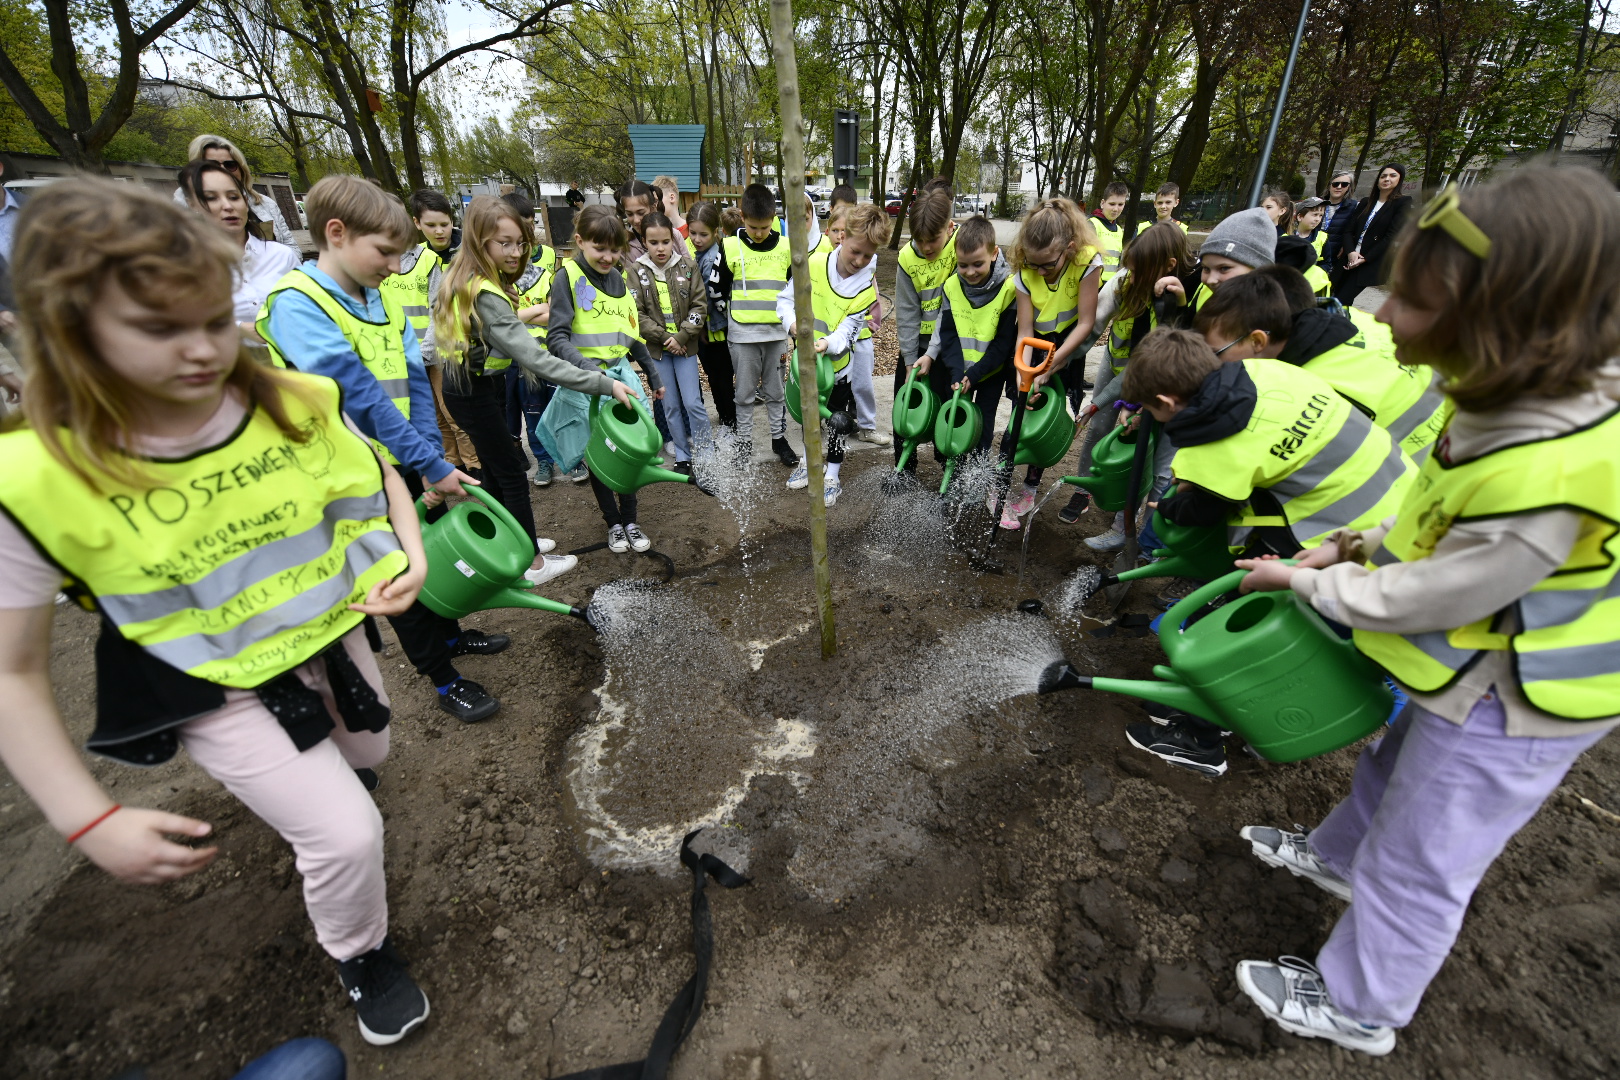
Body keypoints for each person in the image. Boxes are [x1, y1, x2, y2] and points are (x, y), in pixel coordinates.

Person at [0, 178, 430, 1044]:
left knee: (370, 752)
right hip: (215, 684)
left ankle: (320, 799)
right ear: (68, 334)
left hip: (329, 636)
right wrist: (88, 818)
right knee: (348, 835)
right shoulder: (36, 480)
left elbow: (378, 473)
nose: (201, 351)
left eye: (210, 319)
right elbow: (11, 671)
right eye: (159, 330)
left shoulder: (288, 401)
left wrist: (412, 559)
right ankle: (360, 952)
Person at [1230, 166, 1620, 1058]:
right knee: (1393, 763)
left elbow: (1437, 591)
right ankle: (1333, 859)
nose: (1379, 318)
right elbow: (1436, 508)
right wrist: (1358, 541)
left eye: (1407, 302)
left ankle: (1360, 1003)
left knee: (1425, 851)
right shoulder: (1509, 396)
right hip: (1480, 660)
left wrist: (1309, 583)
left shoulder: (1552, 471)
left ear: (1497, 322)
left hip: (1524, 694)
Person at [256, 176, 512, 726]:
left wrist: (424, 455)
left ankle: (450, 632)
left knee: (428, 546)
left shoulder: (382, 299)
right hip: (343, 472)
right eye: (385, 252)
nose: (396, 267)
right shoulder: (296, 303)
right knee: (392, 568)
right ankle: (444, 679)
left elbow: (415, 382)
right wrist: (430, 463)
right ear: (336, 233)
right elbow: (356, 391)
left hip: (400, 455)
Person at [1117, 327, 1414, 776]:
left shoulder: (1217, 445)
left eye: (1151, 409)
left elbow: (1202, 510)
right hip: (1403, 503)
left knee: (1248, 634)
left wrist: (1170, 505)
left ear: (1169, 402)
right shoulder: (1267, 372)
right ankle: (1216, 711)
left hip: (1348, 542)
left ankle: (1201, 739)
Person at [436, 195, 634, 555]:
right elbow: (538, 359)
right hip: (472, 392)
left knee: (497, 472)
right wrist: (603, 384)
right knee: (510, 472)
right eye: (505, 243)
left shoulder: (480, 280)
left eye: (520, 243)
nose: (515, 252)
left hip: (483, 386)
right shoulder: (486, 293)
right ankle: (529, 560)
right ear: (480, 242)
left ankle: (511, 540)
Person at [1207, 268, 1449, 463]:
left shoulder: (1311, 390)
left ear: (1259, 339)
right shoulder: (1352, 316)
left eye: (1216, 352)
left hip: (1422, 468)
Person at [543, 205, 665, 553]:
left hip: (620, 379)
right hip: (586, 383)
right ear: (580, 241)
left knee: (626, 452)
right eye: (600, 249)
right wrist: (587, 369)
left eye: (615, 250)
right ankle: (613, 523)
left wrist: (653, 376)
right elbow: (556, 337)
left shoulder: (620, 279)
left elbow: (631, 334)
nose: (609, 257)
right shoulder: (567, 277)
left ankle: (631, 519)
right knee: (598, 456)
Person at [1077, 221, 1195, 543]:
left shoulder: (1183, 297)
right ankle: (1121, 529)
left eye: (1139, 270)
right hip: (1134, 377)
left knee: (1159, 469)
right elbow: (1095, 329)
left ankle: (1146, 540)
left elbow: (1153, 360)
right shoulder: (1131, 282)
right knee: (1135, 451)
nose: (1131, 276)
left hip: (1177, 394)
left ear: (1168, 267)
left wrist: (1124, 402)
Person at [1000, 197, 1103, 530]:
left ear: (1069, 249)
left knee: (1051, 418)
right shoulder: (1024, 268)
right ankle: (1001, 486)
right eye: (1034, 264)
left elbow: (1087, 322)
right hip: (1033, 344)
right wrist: (1024, 373)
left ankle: (1030, 485)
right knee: (1021, 410)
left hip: (1068, 344)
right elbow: (1026, 330)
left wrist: (1053, 364)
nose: (1040, 271)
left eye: (1047, 265)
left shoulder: (1088, 261)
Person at [776, 203, 890, 506]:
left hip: (838, 371)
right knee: (807, 418)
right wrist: (793, 327)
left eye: (867, 255)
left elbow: (848, 330)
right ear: (842, 238)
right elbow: (785, 302)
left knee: (838, 423)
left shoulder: (866, 288)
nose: (860, 260)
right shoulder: (812, 266)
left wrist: (827, 343)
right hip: (807, 368)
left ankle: (833, 476)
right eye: (855, 251)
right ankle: (808, 461)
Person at [383, 189, 480, 481]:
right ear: (416, 223)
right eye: (430, 225)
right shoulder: (386, 262)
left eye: (444, 223)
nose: (439, 231)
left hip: (441, 347)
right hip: (405, 354)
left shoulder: (441, 258)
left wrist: (423, 350)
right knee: (432, 414)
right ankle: (451, 462)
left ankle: (474, 464)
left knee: (454, 411)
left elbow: (436, 310)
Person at [917, 215, 1017, 457]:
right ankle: (956, 474)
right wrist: (957, 373)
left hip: (990, 372)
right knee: (957, 420)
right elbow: (948, 334)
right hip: (960, 371)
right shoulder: (951, 286)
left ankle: (976, 483)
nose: (970, 272)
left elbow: (1003, 344)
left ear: (994, 253)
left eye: (977, 264)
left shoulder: (1010, 288)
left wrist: (974, 374)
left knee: (982, 426)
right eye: (963, 265)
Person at [718, 183, 799, 467]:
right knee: (744, 393)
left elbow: (795, 290)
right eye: (753, 227)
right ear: (742, 217)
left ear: (774, 219)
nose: (759, 233)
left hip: (776, 333)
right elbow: (718, 290)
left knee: (776, 391)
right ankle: (744, 442)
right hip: (742, 335)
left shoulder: (788, 247)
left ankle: (779, 438)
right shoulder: (728, 246)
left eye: (765, 227)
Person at [177, 159, 298, 336]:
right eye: (211, 198)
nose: (228, 206)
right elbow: (179, 324)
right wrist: (239, 329)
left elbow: (310, 309)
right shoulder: (186, 267)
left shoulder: (281, 255)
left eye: (234, 197)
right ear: (192, 205)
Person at [628, 212, 710, 472]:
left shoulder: (688, 266)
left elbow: (699, 305)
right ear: (644, 242)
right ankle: (683, 456)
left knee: (693, 403)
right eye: (653, 243)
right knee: (670, 405)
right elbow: (636, 314)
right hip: (659, 352)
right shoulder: (636, 272)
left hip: (685, 349)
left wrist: (682, 336)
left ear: (672, 240)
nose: (660, 248)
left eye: (665, 242)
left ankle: (706, 451)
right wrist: (666, 339)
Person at [498, 192, 562, 486]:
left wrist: (523, 313)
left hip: (549, 352)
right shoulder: (497, 274)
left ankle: (568, 458)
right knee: (529, 411)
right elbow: (499, 318)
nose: (528, 233)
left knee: (557, 407)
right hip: (517, 357)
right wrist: (537, 309)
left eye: (531, 224)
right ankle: (543, 462)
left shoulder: (545, 265)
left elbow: (555, 312)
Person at [894, 183, 959, 461]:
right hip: (918, 345)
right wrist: (910, 361)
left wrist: (932, 354)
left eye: (933, 239)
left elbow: (950, 309)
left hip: (950, 348)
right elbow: (907, 312)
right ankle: (904, 468)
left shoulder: (961, 250)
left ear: (950, 227)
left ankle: (948, 466)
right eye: (920, 240)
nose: (926, 246)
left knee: (948, 410)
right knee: (905, 403)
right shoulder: (907, 258)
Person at [1157, 205, 1276, 324]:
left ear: (1259, 270)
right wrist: (1181, 303)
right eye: (1206, 269)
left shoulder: (1268, 321)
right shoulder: (1205, 290)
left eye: (1224, 268)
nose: (1211, 280)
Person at [171, 135, 296, 247]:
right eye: (212, 165)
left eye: (230, 165)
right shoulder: (178, 210)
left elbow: (290, 246)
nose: (223, 170)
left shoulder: (265, 203)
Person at [687, 201, 736, 433]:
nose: (697, 239)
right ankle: (726, 416)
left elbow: (707, 298)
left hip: (714, 331)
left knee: (720, 378)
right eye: (693, 233)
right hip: (711, 329)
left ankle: (729, 420)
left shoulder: (710, 259)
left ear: (715, 232)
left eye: (703, 234)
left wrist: (702, 330)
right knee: (718, 377)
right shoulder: (705, 253)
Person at [1332, 164, 1411, 305]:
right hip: (1349, 257)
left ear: (1400, 179)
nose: (1387, 179)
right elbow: (1348, 230)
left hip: (1368, 261)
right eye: (1383, 176)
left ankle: (1336, 325)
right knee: (1333, 295)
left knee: (1341, 300)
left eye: (1393, 176)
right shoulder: (1365, 202)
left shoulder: (1402, 203)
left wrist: (1365, 258)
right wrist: (1350, 251)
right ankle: (1337, 324)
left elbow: (1391, 237)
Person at [1284, 198, 1331, 295]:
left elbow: (1326, 263)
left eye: (1320, 215)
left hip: (1309, 289)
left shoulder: (1322, 238)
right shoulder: (1286, 237)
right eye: (1314, 215)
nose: (1317, 219)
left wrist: (1315, 274)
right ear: (1300, 217)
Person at [1090, 182, 1132, 284]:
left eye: (1120, 204)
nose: (1115, 209)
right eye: (1112, 204)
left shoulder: (1118, 229)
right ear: (1103, 203)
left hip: (1111, 283)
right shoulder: (1092, 224)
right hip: (1094, 282)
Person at [1319, 170, 1359, 272]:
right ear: (1329, 186)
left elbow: (1356, 231)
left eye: (1344, 184)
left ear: (1349, 188)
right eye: (1335, 184)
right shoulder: (1318, 203)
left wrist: (1347, 246)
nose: (1339, 187)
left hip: (1334, 258)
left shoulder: (1355, 207)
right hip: (1313, 252)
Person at [618, 180, 657, 263]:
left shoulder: (674, 236)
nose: (636, 220)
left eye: (641, 213)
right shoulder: (625, 249)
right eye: (630, 214)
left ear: (653, 208)